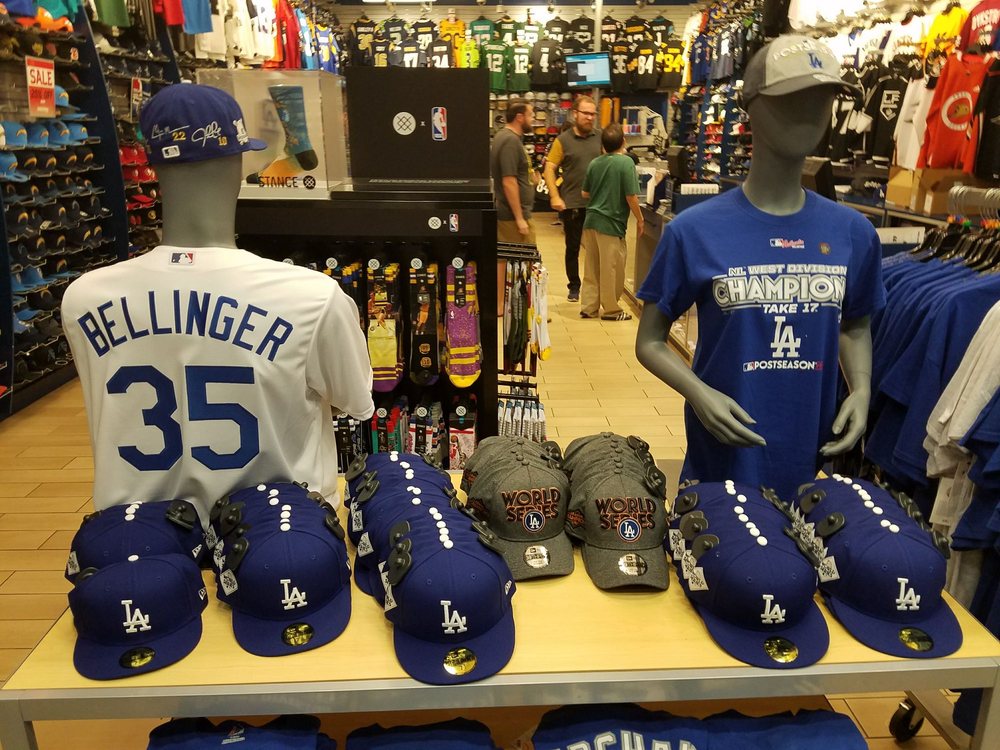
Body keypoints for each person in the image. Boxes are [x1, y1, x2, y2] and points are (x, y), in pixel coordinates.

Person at [62, 84, 375, 522]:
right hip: (280, 536)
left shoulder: (84, 298)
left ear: (151, 167)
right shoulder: (313, 297)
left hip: (138, 540)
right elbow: (355, 403)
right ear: (237, 162)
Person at [634, 35, 884, 499]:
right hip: (722, 465)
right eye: (792, 98)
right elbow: (649, 341)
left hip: (812, 465)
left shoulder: (853, 233)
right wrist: (699, 393)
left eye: (823, 99)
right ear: (751, 108)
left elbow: (855, 325)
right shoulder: (695, 231)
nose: (810, 113)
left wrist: (862, 390)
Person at [579, 123, 643, 321]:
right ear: (623, 141)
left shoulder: (594, 163)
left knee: (591, 267)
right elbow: (631, 196)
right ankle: (611, 310)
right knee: (611, 268)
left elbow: (585, 193)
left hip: (591, 221)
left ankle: (589, 307)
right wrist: (640, 219)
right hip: (611, 223)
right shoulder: (626, 163)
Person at [544, 95, 601, 302]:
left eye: (593, 114)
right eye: (586, 113)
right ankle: (574, 286)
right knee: (573, 247)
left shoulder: (600, 137)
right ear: (575, 114)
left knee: (597, 249)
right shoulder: (563, 140)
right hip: (573, 204)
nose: (590, 117)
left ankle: (596, 286)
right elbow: (549, 168)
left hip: (598, 205)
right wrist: (554, 196)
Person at [491, 99, 536, 243]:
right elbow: (509, 182)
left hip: (512, 214)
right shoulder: (510, 141)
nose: (533, 118)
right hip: (512, 217)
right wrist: (519, 218)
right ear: (520, 117)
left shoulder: (505, 136)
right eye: (530, 114)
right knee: (523, 255)